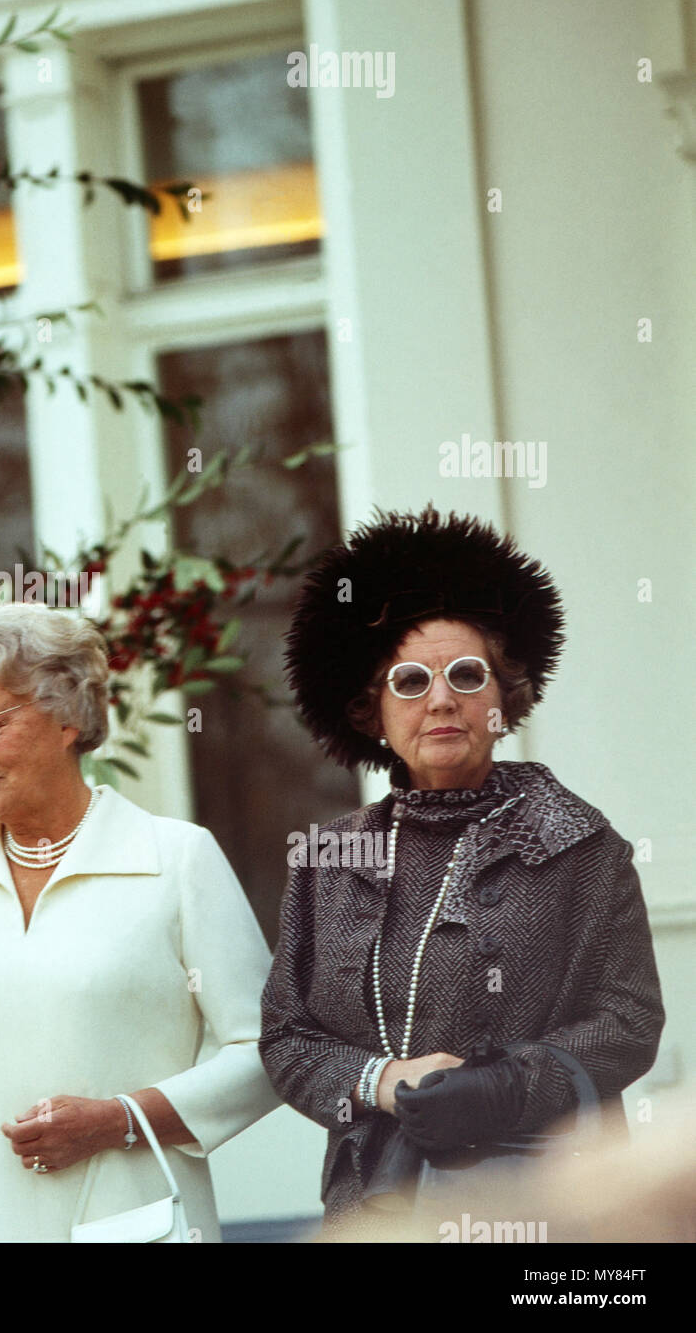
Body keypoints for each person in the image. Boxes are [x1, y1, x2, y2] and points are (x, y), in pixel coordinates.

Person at [261, 507, 664, 1237]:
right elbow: (288, 1038)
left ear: (505, 700)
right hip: (375, 1201)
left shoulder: (581, 845)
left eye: (467, 675)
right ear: (371, 712)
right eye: (410, 681)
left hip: (548, 1201)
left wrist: (509, 1084)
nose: (441, 699)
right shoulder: (328, 858)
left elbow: (629, 1022)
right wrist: (380, 1082)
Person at [0, 602, 278, 1242]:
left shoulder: (174, 858)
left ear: (66, 716)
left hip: (137, 1229)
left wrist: (123, 1118)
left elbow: (267, 1049)